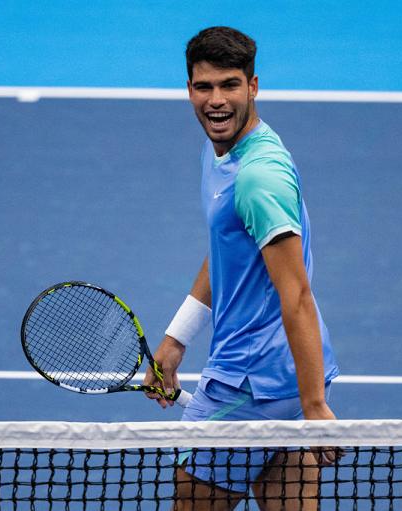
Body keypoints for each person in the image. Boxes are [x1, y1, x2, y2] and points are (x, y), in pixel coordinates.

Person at [142, 26, 340, 510]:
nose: (216, 101)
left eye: (230, 85)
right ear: (188, 89)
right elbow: (229, 248)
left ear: (253, 86)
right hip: (288, 378)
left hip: (244, 385)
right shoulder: (230, 151)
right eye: (204, 87)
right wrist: (176, 337)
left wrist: (316, 407)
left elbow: (295, 294)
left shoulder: (256, 178)